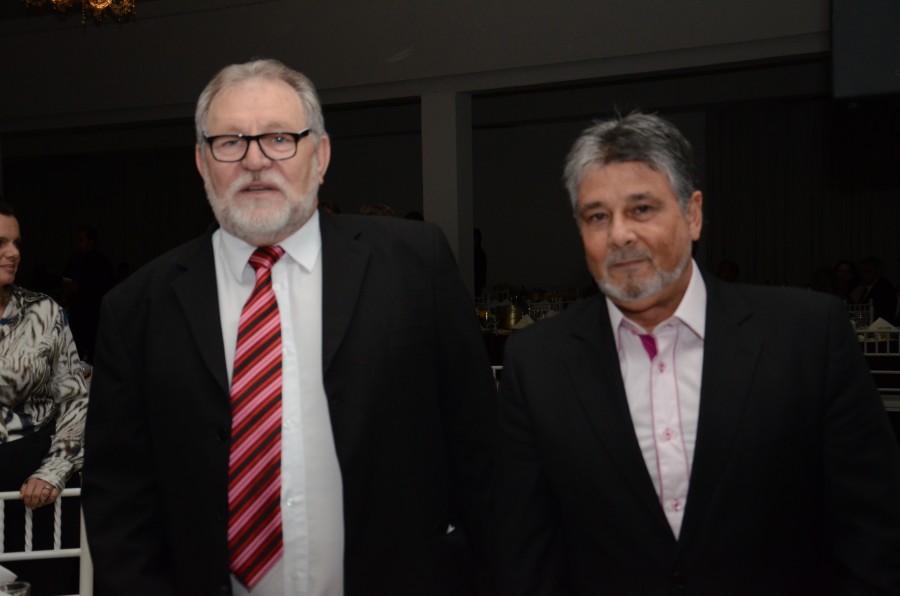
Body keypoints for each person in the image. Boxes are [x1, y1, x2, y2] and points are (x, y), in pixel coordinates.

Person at [82, 59, 496, 596]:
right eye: (230, 142)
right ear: (202, 162)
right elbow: (119, 500)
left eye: (280, 138)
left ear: (320, 156)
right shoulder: (137, 307)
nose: (255, 161)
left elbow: (482, 453)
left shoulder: (415, 265)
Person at [493, 112, 900, 595]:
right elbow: (524, 551)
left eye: (641, 209)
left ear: (693, 215)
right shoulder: (537, 363)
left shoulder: (808, 336)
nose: (619, 235)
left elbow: (874, 531)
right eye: (597, 216)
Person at [0, 202, 88, 595]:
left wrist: (53, 471)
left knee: (43, 586)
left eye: (16, 243)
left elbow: (75, 399)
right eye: (0, 243)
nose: (13, 253)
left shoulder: (43, 311)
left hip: (32, 486)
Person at [60, 224, 114, 362]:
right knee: (74, 351)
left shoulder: (102, 263)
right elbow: (66, 279)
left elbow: (105, 289)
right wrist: (65, 290)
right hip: (76, 314)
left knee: (93, 352)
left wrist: (81, 289)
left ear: (91, 241)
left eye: (80, 240)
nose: (77, 244)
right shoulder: (73, 261)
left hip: (93, 316)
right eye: (76, 240)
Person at [854, 256, 898, 323]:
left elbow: (881, 314)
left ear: (877, 272)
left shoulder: (883, 289)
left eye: (867, 271)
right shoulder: (868, 287)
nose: (862, 275)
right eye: (861, 271)